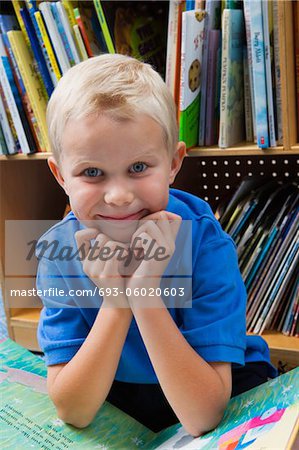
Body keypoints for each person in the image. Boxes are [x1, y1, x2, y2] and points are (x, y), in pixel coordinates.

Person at [36, 54, 277, 436]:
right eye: (92, 172)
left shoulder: (204, 240)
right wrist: (117, 303)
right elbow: (74, 410)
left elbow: (203, 416)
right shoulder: (58, 253)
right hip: (116, 382)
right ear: (60, 175)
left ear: (173, 162)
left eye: (138, 168)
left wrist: (144, 295)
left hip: (214, 380)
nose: (117, 196)